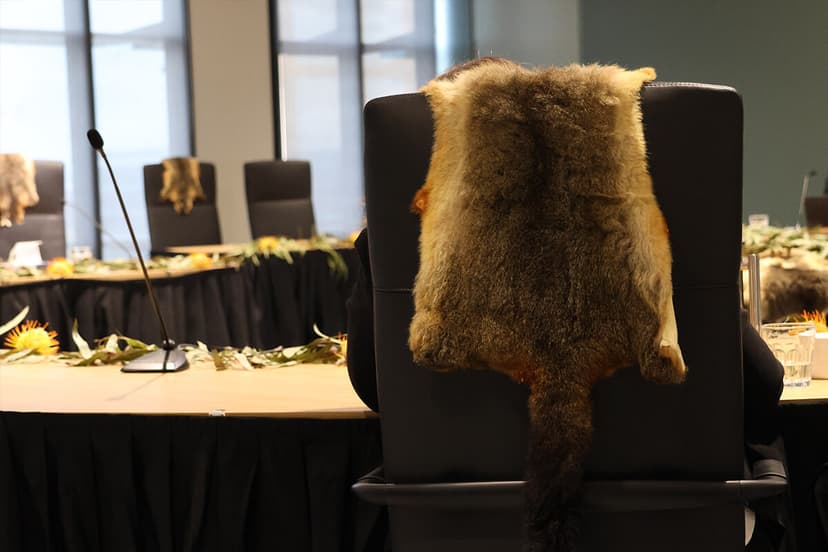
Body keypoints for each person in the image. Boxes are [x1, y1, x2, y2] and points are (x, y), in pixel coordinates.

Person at [345, 228, 794, 550]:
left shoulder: (396, 234)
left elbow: (376, 388)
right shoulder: (671, 220)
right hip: (680, 517)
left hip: (459, 522)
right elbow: (762, 381)